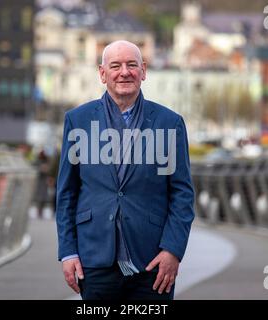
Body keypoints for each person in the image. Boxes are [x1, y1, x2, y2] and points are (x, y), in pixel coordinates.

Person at [56, 40, 195, 300]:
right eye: (116, 65)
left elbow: (182, 194)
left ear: (143, 71)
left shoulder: (170, 123)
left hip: (154, 262)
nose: (124, 72)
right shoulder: (77, 121)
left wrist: (173, 250)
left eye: (132, 65)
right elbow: (67, 193)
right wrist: (68, 251)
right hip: (94, 259)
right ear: (102, 73)